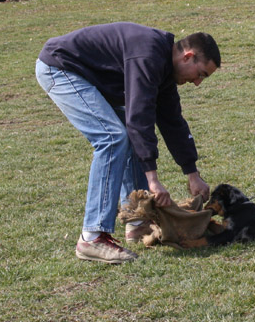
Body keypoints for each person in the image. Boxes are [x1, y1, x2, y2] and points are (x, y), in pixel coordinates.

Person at [35, 22, 221, 264]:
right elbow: (139, 117)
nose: (198, 83)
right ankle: (92, 237)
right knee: (112, 138)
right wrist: (152, 180)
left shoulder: (164, 68)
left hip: (91, 78)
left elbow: (172, 121)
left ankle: (137, 222)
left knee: (127, 136)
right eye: (201, 74)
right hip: (61, 68)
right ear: (188, 56)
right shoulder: (148, 55)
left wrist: (192, 173)